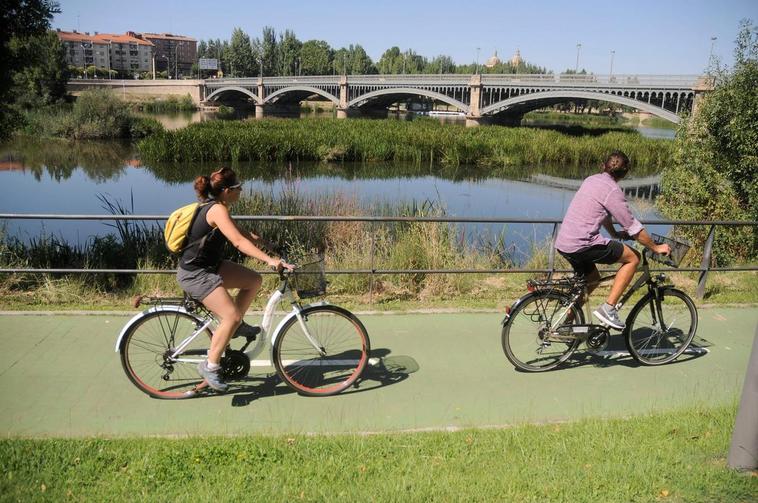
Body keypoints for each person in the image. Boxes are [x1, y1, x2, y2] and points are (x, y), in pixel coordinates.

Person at [177, 168, 293, 392]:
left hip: (209, 266)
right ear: (228, 191)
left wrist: (269, 246)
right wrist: (269, 260)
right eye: (239, 188)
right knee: (230, 314)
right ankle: (210, 366)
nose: (242, 191)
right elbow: (238, 242)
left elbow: (243, 233)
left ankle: (235, 327)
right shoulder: (216, 210)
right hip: (196, 273)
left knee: (253, 280)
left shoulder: (220, 208)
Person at [554, 151, 671, 330]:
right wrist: (655, 247)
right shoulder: (613, 191)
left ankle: (567, 322)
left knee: (592, 278)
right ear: (625, 174)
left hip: (565, 242)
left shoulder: (591, 180)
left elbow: (603, 215)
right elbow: (633, 228)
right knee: (634, 258)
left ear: (603, 166)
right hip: (582, 244)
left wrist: (614, 234)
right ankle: (608, 309)